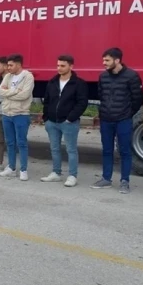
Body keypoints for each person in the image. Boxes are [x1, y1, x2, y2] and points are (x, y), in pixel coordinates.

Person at [92, 47, 143, 193]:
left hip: (123, 120)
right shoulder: (103, 77)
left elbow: (137, 99)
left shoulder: (132, 76)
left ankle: (124, 181)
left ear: (117, 60)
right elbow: (101, 95)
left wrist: (127, 114)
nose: (104, 63)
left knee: (124, 151)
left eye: (107, 60)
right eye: (103, 60)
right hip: (106, 120)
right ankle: (106, 179)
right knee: (107, 150)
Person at [40, 55, 89, 187]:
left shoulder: (79, 83)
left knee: (71, 150)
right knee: (54, 148)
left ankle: (72, 176)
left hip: (69, 123)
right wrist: (46, 118)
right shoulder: (52, 82)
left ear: (71, 66)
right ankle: (56, 173)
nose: (59, 68)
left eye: (63, 66)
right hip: (52, 122)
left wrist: (71, 118)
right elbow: (47, 101)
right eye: (58, 65)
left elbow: (82, 103)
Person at [0, 54, 35, 181]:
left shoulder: (28, 76)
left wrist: (8, 93)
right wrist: (15, 91)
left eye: (11, 65)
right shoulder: (7, 76)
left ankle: (23, 170)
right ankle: (11, 168)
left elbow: (24, 95)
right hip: (7, 113)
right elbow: (0, 91)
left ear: (19, 64)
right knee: (10, 142)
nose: (8, 67)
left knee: (22, 142)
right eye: (8, 65)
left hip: (21, 114)